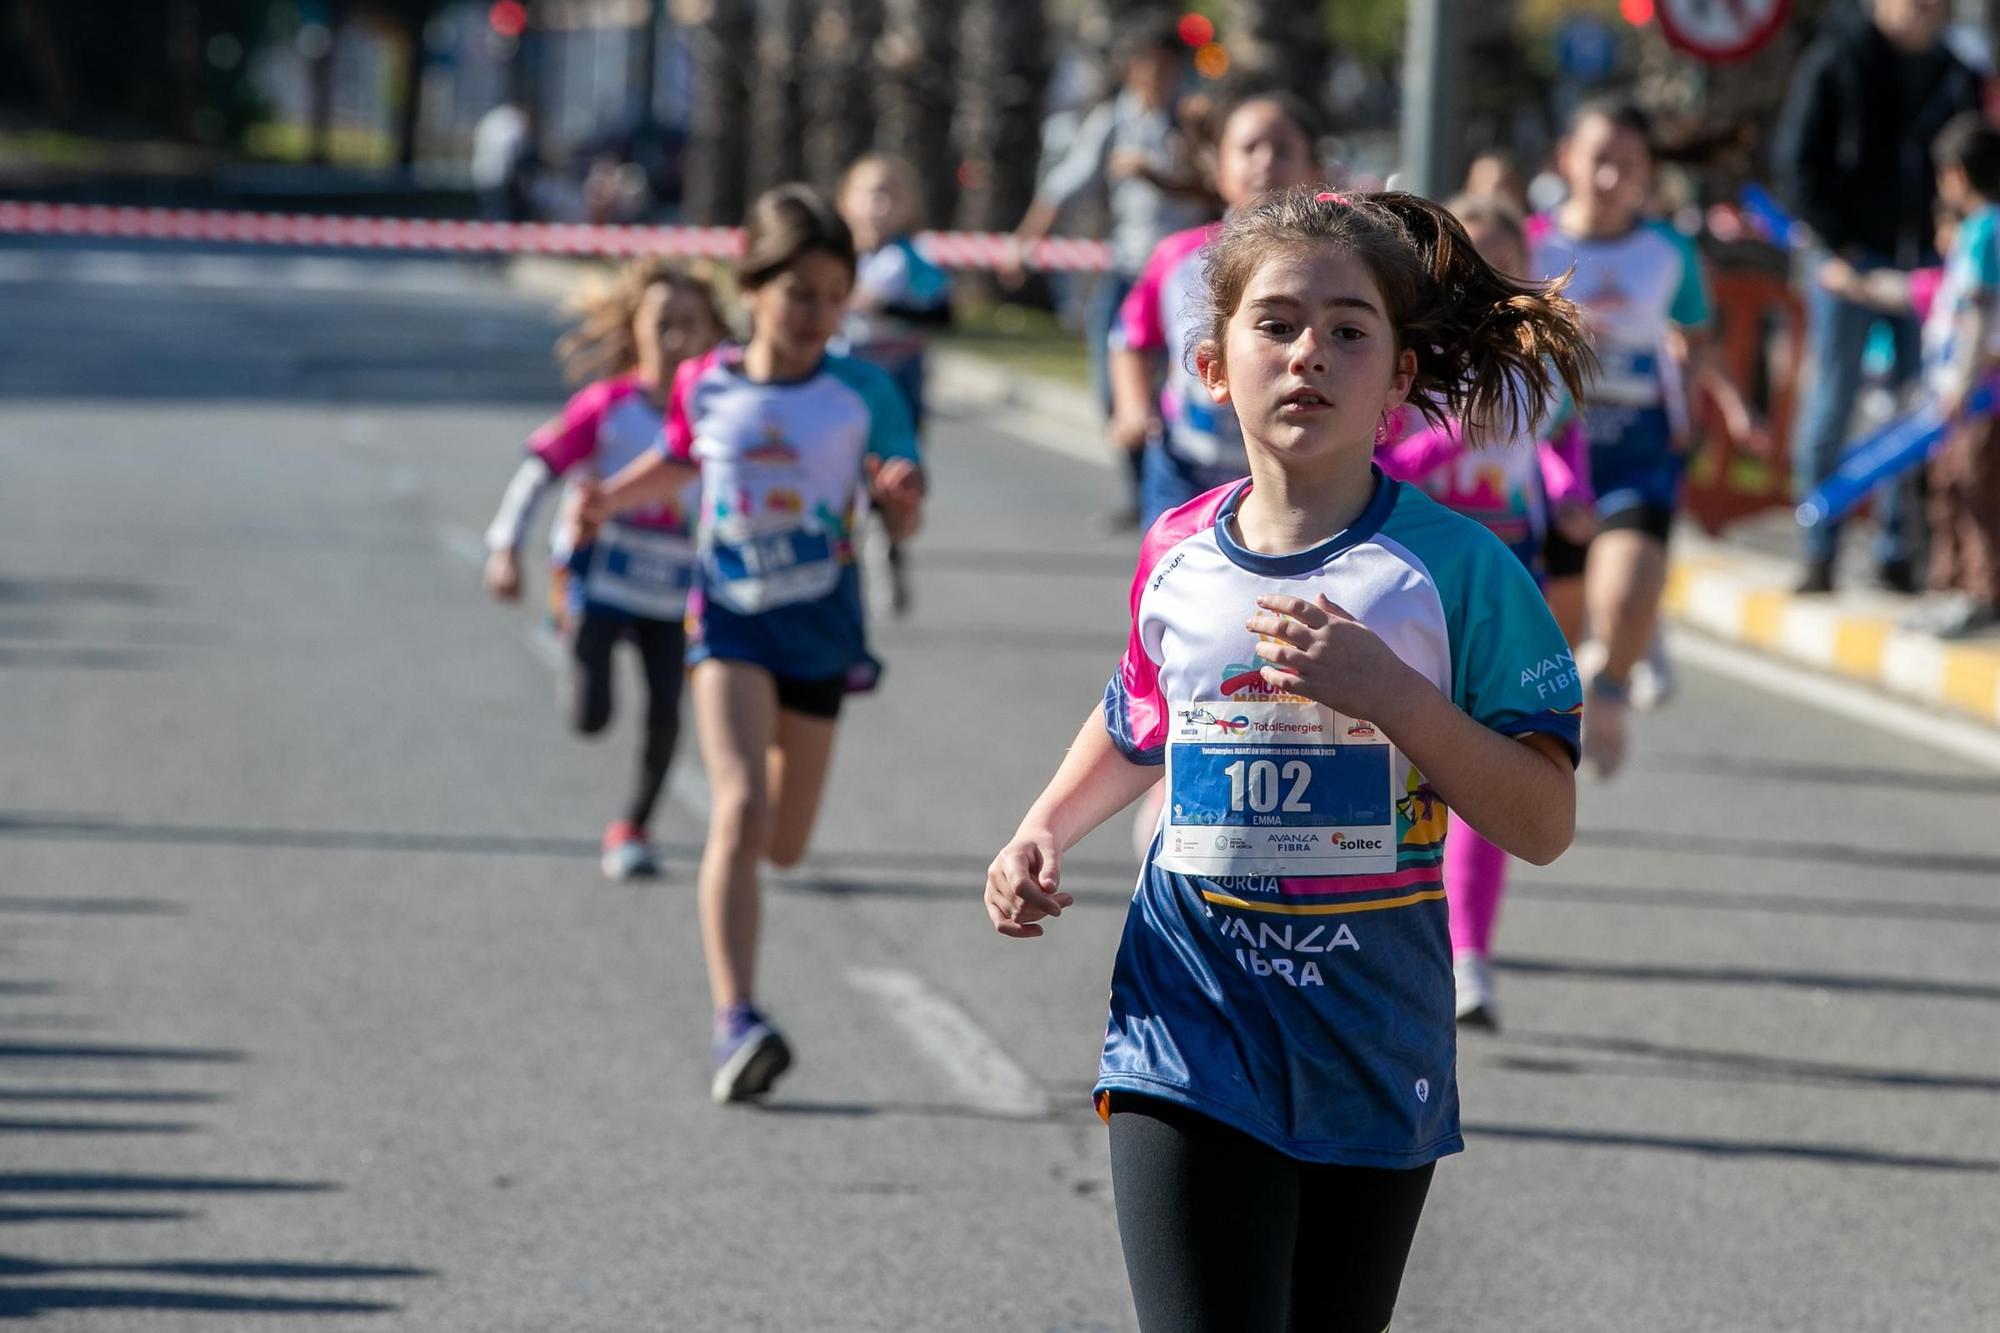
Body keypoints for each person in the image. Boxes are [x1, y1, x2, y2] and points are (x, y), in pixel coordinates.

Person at [985, 185, 1589, 1332]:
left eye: (1348, 329)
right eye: (1275, 324)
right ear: (1212, 369)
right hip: (1184, 1024)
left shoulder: (1460, 574)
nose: (1309, 352)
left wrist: (1391, 695)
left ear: (1399, 377)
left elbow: (1541, 823)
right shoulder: (1174, 552)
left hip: (1369, 1039)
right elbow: (1136, 717)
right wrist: (1039, 831)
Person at [581, 185, 925, 1104]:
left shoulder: (863, 389)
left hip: (820, 626)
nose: (816, 313)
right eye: (797, 293)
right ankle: (737, 1019)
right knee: (734, 806)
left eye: (832, 294)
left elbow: (906, 489)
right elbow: (684, 455)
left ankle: (743, 980)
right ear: (755, 288)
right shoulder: (709, 380)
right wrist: (609, 495)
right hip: (726, 618)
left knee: (783, 843)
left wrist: (902, 497)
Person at [1376, 193, 1596, 1030]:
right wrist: (1449, 435)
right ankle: (1396, 926)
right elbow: (1381, 458)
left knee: (1493, 759)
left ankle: (1471, 954)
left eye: (1502, 265)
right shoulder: (1408, 360)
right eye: (1469, 264)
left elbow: (1557, 456)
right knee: (1413, 763)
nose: (1485, 283)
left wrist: (1577, 501)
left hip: (1509, 579)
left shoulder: (1534, 366)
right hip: (1417, 581)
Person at [482, 258, 726, 880]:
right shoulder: (607, 405)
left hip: (675, 593)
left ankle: (633, 828)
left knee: (668, 714)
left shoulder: (718, 409)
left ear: (709, 331)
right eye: (663, 323)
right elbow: (540, 470)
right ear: (634, 329)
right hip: (601, 579)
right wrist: (506, 545)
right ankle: (572, 638)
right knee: (590, 717)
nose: (676, 338)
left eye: (689, 324)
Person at [1528, 97, 1738, 777]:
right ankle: (1549, 722)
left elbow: (1698, 335)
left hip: (1636, 440)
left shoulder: (1668, 252)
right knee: (1549, 631)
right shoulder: (1532, 244)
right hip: (1550, 448)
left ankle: (1613, 682)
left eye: (1631, 165)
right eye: (1599, 162)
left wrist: (1697, 385)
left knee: (1626, 585)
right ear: (1567, 160)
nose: (1614, 179)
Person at [1774, 0, 1983, 596]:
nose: (1922, 11)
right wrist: (1835, 245)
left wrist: (1953, 246)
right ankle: (1819, 542)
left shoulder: (1956, 74)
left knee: (1920, 406)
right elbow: (1797, 162)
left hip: (1929, 268)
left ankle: (1900, 550)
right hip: (1848, 259)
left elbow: (1973, 165)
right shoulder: (1839, 58)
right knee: (1834, 398)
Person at [1011, 23, 1209, 528]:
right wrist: (1028, 239)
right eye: (1147, 64)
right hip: (1128, 272)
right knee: (1113, 388)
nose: (1157, 76)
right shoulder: (1114, 119)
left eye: (1166, 66)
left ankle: (1172, 496)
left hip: (1183, 280)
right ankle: (1143, 488)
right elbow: (1070, 179)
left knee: (1183, 390)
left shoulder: (1193, 119)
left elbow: (1215, 187)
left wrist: (1157, 175)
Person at [1110, 88, 1325, 531]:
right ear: (1219, 168)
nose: (1265, 161)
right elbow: (1129, 338)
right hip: (1184, 471)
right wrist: (1132, 407)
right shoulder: (1177, 257)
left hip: (1296, 477)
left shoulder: (1338, 265)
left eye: (1283, 149)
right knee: (1171, 590)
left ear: (1314, 170)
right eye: (1248, 148)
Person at [1825, 114, 2000, 639]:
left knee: (1973, 489)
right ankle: (1948, 586)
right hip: (1958, 392)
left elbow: (1978, 312)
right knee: (1947, 487)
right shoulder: (1980, 231)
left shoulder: (1984, 230)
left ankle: (1980, 590)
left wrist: (1961, 384)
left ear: (1956, 175)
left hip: (1977, 394)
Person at [834, 153, 953, 616]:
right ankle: (845, 554)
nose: (878, 205)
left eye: (890, 195)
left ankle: (891, 546)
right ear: (846, 201)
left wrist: (885, 309)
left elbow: (942, 312)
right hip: (845, 380)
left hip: (898, 381)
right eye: (869, 193)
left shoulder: (910, 260)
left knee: (895, 472)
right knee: (843, 467)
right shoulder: (838, 256)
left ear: (907, 206)